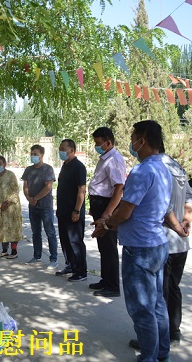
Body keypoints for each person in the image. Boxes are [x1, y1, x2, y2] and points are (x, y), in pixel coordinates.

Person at [92, 120, 184, 362]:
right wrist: (178, 228)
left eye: (133, 139)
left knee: (142, 309)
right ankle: (160, 351)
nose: (131, 143)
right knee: (157, 304)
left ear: (142, 141)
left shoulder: (142, 171)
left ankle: (149, 356)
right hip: (158, 245)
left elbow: (124, 212)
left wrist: (106, 225)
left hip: (140, 248)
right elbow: (166, 209)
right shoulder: (163, 168)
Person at [128, 149, 191, 351]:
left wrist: (177, 227)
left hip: (162, 239)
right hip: (180, 242)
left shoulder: (156, 169)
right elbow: (188, 197)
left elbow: (164, 207)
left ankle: (153, 341)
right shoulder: (177, 167)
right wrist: (186, 220)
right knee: (172, 288)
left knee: (157, 296)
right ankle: (172, 332)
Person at [88, 127, 125, 297]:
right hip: (100, 204)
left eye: (98, 143)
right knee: (103, 245)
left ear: (108, 142)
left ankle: (112, 286)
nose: (96, 146)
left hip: (107, 206)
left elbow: (119, 188)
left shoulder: (114, 160)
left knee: (109, 246)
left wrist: (107, 213)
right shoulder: (105, 158)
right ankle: (105, 279)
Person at [21, 144, 59, 268]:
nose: (33, 156)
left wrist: (35, 198)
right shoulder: (28, 170)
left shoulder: (48, 169)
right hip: (33, 206)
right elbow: (25, 186)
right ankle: (37, 256)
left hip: (45, 206)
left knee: (50, 232)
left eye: (35, 154)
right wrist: (29, 198)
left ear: (41, 155)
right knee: (35, 232)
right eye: (32, 154)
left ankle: (54, 259)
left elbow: (48, 187)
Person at [55, 139, 87, 281]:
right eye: (60, 149)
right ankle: (71, 265)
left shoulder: (78, 167)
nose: (61, 151)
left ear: (72, 150)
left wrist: (77, 210)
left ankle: (81, 271)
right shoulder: (65, 165)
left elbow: (81, 190)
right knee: (65, 240)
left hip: (73, 211)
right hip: (63, 210)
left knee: (75, 241)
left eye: (63, 149)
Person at [0, 155, 22, 259]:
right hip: (1, 207)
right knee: (2, 228)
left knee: (13, 228)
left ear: (4, 164)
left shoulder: (10, 175)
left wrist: (7, 202)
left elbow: (15, 191)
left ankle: (14, 251)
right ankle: (4, 250)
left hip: (12, 206)